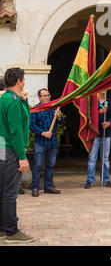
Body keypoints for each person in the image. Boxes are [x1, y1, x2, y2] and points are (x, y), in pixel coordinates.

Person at [0, 67, 34, 243]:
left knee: (2, 189)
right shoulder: (12, 100)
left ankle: (2, 228)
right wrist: (22, 156)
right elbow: (16, 130)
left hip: (2, 147)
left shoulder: (6, 97)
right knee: (11, 192)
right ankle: (12, 231)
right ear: (19, 81)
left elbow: (22, 117)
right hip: (12, 149)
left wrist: (24, 101)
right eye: (24, 78)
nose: (25, 81)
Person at [30, 88, 64, 196]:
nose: (48, 97)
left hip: (52, 142)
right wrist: (43, 133)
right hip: (40, 142)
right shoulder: (36, 109)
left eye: (48, 95)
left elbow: (61, 122)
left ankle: (49, 187)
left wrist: (59, 117)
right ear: (39, 97)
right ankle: (35, 188)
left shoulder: (53, 108)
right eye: (45, 96)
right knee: (38, 165)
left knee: (51, 165)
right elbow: (31, 125)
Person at [84, 90, 111, 188]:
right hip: (94, 133)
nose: (103, 90)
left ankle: (105, 180)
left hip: (106, 134)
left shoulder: (109, 102)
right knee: (92, 158)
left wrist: (108, 123)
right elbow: (90, 116)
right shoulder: (93, 102)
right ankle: (90, 180)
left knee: (105, 158)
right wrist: (100, 111)